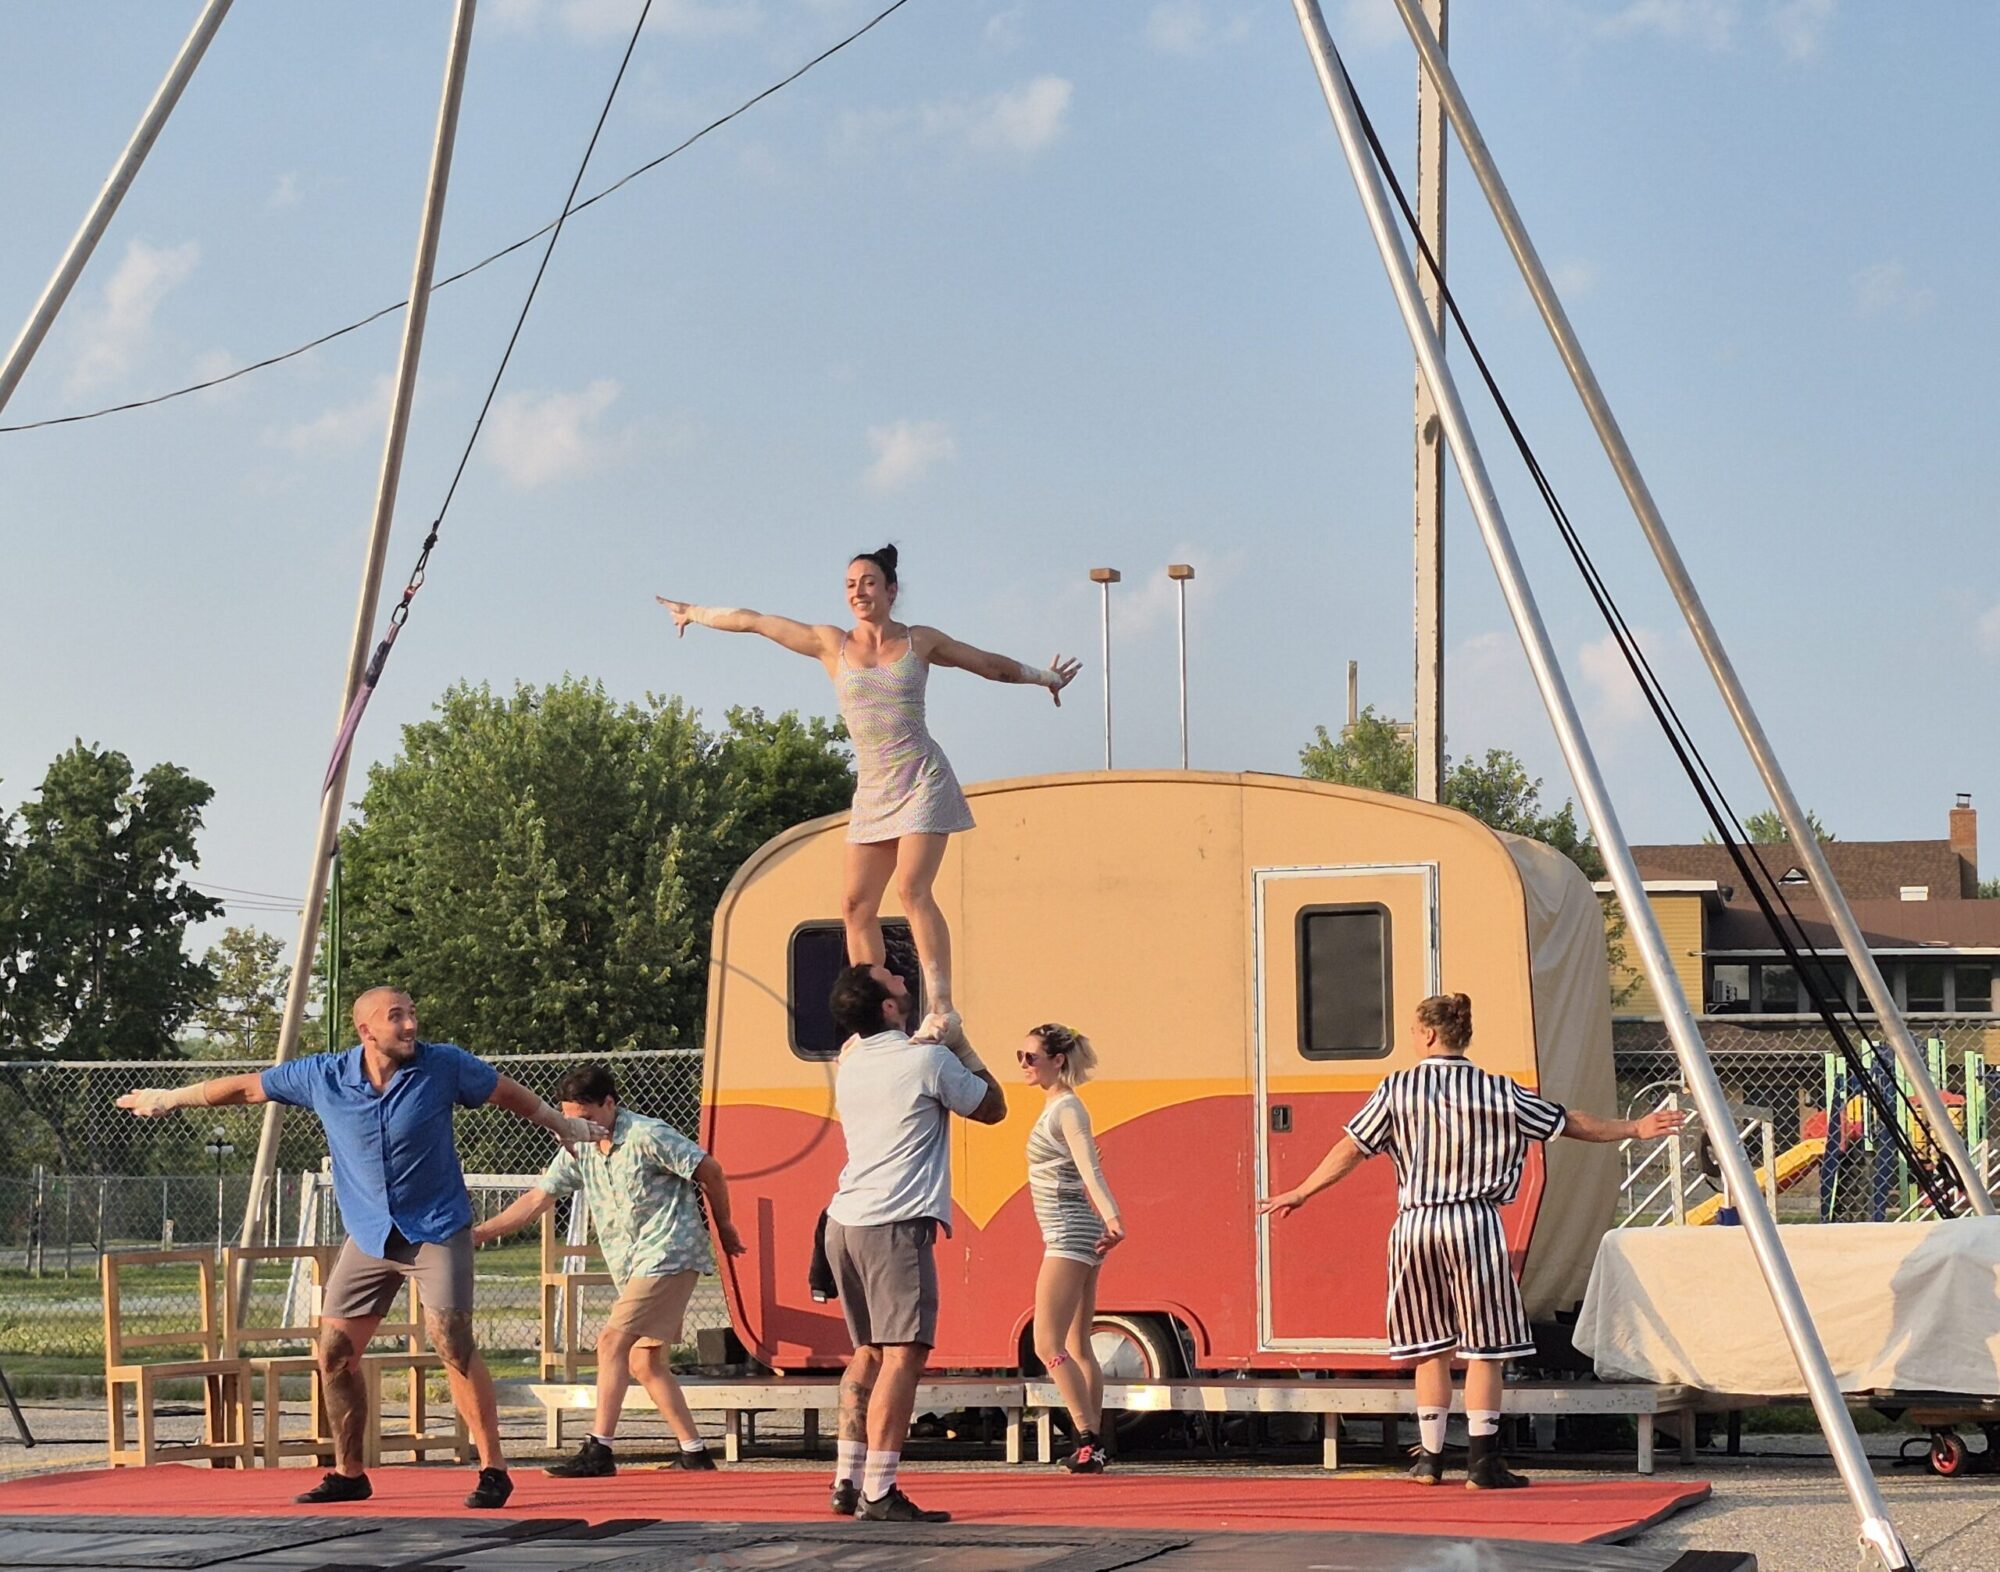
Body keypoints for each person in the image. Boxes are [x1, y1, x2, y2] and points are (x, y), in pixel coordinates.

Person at [117, 986, 606, 1510]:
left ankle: (493, 1469)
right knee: (332, 1353)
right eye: (397, 1017)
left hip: (436, 1228)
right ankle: (350, 1474)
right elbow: (246, 1089)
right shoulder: (322, 1075)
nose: (410, 1025)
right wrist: (170, 1097)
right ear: (366, 1030)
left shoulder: (444, 1066)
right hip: (370, 1235)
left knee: (451, 1341)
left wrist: (561, 1124)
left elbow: (508, 1094)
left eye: (413, 1013)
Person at [1257, 992, 1684, 1489]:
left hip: (1416, 1224)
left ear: (1429, 1034)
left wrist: (1303, 1190)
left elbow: (1352, 1147)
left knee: (1429, 1347)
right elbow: (1568, 1122)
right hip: (1474, 1221)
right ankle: (1482, 1462)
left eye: (1414, 1032)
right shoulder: (1499, 1091)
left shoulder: (1397, 1088)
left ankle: (1429, 1460)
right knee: (1485, 1348)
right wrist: (1635, 1127)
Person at [657, 545, 1079, 1038]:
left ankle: (942, 1008)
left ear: (891, 591)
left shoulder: (920, 641)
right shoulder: (830, 643)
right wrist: (694, 613)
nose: (858, 591)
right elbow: (756, 622)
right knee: (856, 905)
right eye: (850, 585)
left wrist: (1044, 677)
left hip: (921, 778)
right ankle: (875, 1015)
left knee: (911, 888)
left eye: (869, 582)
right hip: (874, 789)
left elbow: (987, 664)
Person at [473, 1062, 746, 1476]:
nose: (577, 1127)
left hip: (669, 1253)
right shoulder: (579, 1145)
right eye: (569, 1119)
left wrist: (723, 1226)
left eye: (585, 1117)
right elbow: (536, 1200)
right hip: (633, 1264)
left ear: (610, 1104)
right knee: (644, 1362)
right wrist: (478, 1234)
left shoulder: (647, 1135)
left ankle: (599, 1450)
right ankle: (695, 1453)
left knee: (610, 1342)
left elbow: (710, 1169)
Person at [821, 962, 1006, 1522]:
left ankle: (847, 1480)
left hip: (843, 1221)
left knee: (868, 1353)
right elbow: (993, 1108)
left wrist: (929, 1041)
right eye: (894, 982)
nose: (903, 980)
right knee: (904, 1356)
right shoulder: (927, 1060)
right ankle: (880, 1492)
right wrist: (960, 1044)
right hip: (895, 1225)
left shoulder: (851, 1060)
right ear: (887, 1006)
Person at [1018, 1022, 1123, 1474]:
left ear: (1057, 1060)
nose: (1023, 1065)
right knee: (1078, 1345)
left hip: (1068, 1233)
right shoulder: (1058, 1108)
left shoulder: (1067, 1109)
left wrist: (1114, 1218)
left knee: (1047, 1343)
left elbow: (1090, 1170)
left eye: (1031, 1057)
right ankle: (1094, 1444)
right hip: (1074, 1232)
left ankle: (1086, 1438)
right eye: (1020, 1057)